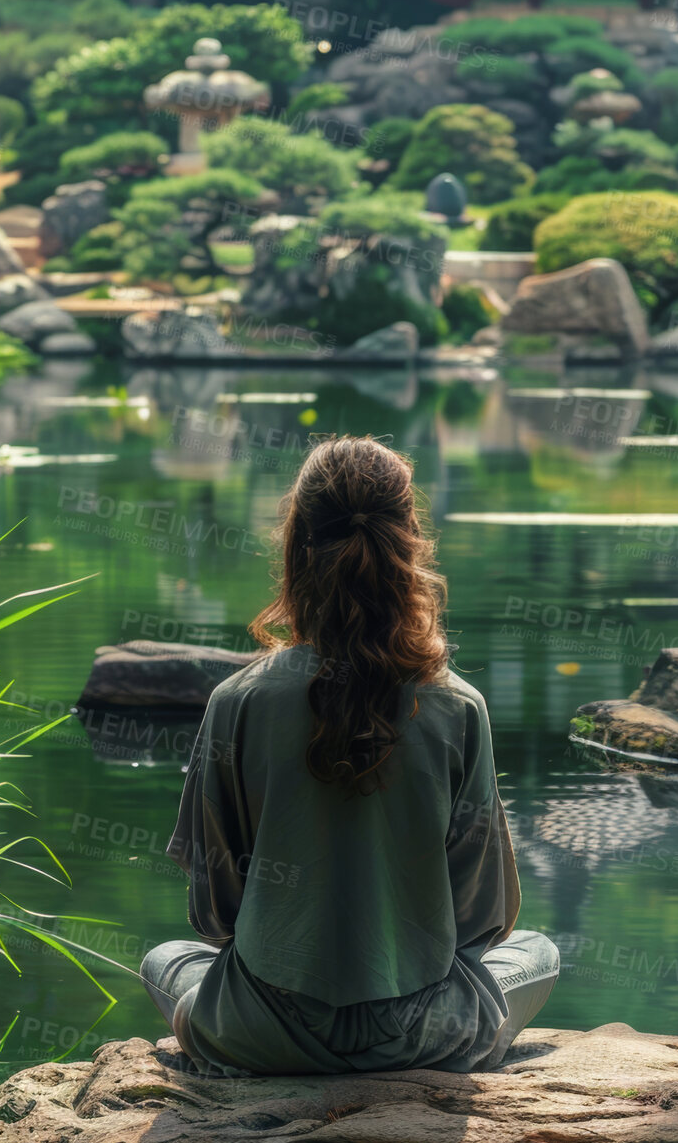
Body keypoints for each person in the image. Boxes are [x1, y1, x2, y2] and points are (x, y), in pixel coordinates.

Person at [141, 435, 558, 1075]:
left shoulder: (237, 701)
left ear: (295, 546)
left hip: (265, 1032)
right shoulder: (457, 705)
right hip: (423, 1036)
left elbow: (214, 911)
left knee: (166, 961)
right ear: (409, 543)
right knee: (537, 952)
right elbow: (485, 919)